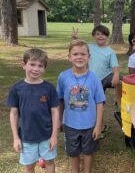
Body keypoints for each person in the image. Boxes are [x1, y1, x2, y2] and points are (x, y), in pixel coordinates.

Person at [7, 48, 60, 173]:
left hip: (47, 136)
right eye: (32, 64)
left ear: (44, 68)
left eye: (40, 66)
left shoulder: (49, 88)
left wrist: (54, 136)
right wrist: (16, 138)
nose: (36, 69)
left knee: (49, 162)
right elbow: (14, 113)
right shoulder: (17, 89)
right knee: (29, 166)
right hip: (26, 136)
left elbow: (55, 112)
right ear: (24, 65)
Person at [57, 39, 105, 173]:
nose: (79, 57)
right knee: (73, 152)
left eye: (83, 54)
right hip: (70, 124)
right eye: (75, 54)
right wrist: (59, 120)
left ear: (88, 57)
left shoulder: (94, 77)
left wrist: (98, 125)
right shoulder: (63, 77)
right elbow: (60, 100)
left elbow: (100, 102)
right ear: (69, 57)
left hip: (90, 125)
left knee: (89, 151)